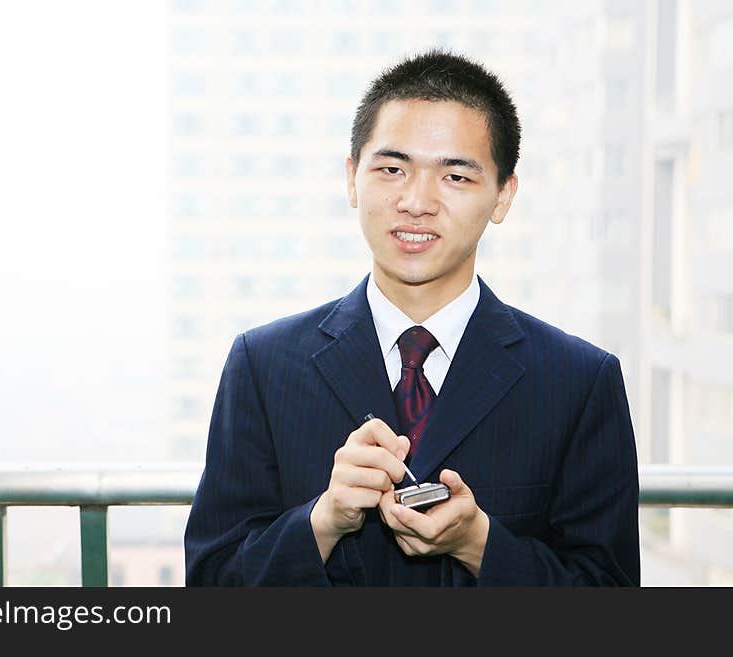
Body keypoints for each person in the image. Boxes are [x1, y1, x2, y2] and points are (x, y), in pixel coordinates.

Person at [184, 49, 640, 586]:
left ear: (503, 195)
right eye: (392, 169)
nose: (417, 201)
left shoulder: (578, 380)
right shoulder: (263, 366)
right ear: (353, 178)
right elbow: (212, 582)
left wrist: (480, 545)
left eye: (456, 177)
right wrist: (322, 521)